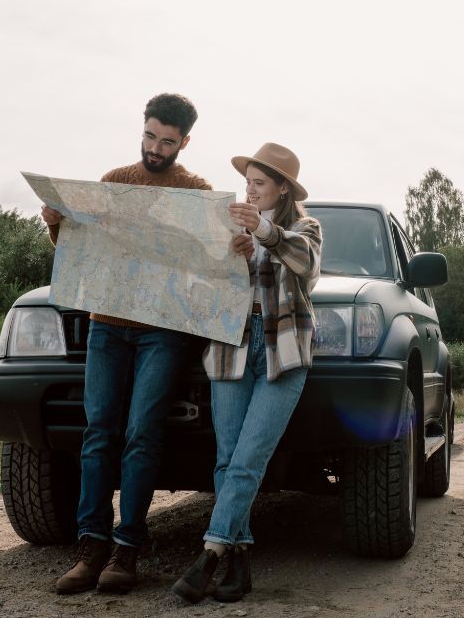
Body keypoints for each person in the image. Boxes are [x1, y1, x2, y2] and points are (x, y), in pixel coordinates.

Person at [47, 93, 212, 595]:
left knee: (142, 434)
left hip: (162, 330)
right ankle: (90, 545)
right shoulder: (114, 182)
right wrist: (57, 226)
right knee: (99, 432)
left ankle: (127, 550)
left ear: (184, 142)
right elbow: (84, 255)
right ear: (142, 129)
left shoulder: (196, 191)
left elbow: (207, 265)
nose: (155, 148)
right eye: (149, 136)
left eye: (167, 141)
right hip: (107, 324)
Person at [172, 143, 322, 604]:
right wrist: (229, 257)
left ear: (282, 188)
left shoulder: (304, 227)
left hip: (283, 351)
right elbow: (200, 283)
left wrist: (264, 232)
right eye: (247, 183)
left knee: (248, 459)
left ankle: (210, 554)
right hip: (230, 345)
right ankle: (240, 561)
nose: (250, 191)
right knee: (226, 458)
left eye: (259, 184)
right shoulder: (228, 225)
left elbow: (308, 267)